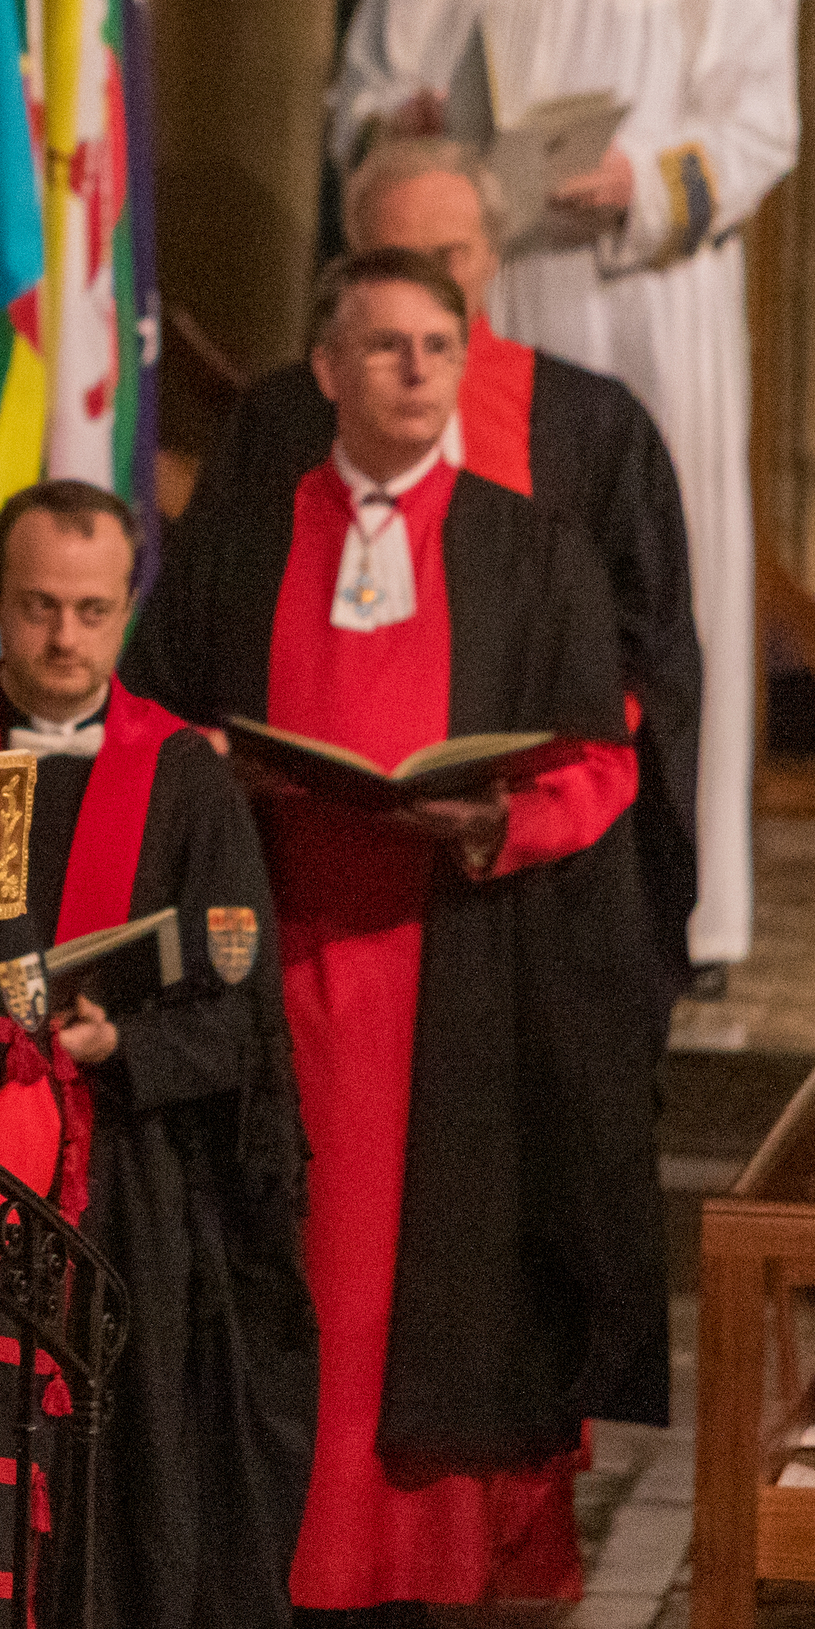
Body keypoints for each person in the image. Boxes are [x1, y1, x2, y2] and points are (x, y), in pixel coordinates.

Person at [128, 251, 668, 1629]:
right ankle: (285, 1567)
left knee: (410, 1288)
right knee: (290, 1264)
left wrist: (491, 818)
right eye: (385, 346)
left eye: (440, 345)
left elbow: (604, 763)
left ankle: (398, 1577)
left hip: (453, 975)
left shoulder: (528, 547)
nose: (418, 370)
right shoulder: (243, 539)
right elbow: (155, 722)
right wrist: (222, 778)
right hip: (274, 957)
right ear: (327, 373)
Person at [328, 0, 798, 973]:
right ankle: (472, 833)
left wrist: (646, 176)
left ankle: (684, 890)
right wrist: (406, 126)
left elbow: (762, 127)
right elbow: (359, 105)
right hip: (491, 294)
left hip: (645, 298)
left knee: (657, 569)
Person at [0, 480, 316, 1629]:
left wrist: (125, 1046)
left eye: (90, 610)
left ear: (128, 608)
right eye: (35, 608)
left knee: (115, 1482)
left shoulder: (181, 777)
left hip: (126, 1194)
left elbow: (244, 1020)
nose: (63, 639)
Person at [186, 137, 702, 1001]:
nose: (425, 287)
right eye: (393, 260)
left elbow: (649, 656)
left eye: (450, 257)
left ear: (495, 257)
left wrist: (540, 795)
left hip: (516, 883)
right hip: (298, 870)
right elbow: (205, 632)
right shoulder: (281, 422)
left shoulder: (589, 427)